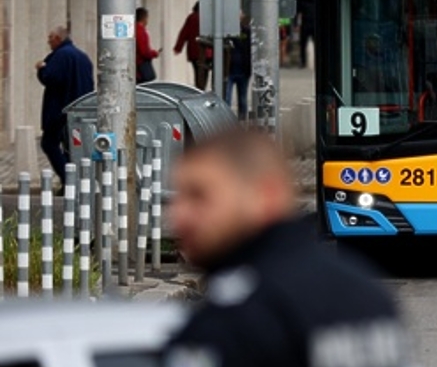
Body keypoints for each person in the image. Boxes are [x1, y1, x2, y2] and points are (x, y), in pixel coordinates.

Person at [165, 128, 413, 367]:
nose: (179, 216)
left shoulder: (235, 319)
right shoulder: (367, 294)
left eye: (199, 196)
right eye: (178, 197)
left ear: (266, 195)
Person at [36, 26, 94, 186]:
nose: (48, 41)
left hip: (60, 110)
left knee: (49, 143)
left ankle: (69, 179)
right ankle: (73, 180)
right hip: (80, 109)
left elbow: (51, 78)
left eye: (50, 38)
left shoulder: (60, 56)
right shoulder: (82, 57)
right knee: (72, 147)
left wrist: (41, 69)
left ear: (58, 39)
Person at [174, 1, 212, 90]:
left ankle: (199, 89)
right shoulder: (208, 18)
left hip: (194, 52)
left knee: (197, 73)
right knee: (204, 73)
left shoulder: (191, 17)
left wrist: (178, 48)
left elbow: (184, 33)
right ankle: (201, 90)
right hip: (206, 52)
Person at [225, 15, 252, 120]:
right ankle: (227, 121)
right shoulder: (227, 34)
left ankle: (242, 121)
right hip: (230, 70)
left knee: (243, 99)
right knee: (227, 99)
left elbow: (250, 50)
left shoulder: (246, 32)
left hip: (243, 70)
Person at [135, 6, 160, 83]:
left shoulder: (135, 29)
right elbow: (144, 51)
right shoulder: (140, 30)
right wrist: (154, 53)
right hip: (141, 64)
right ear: (144, 18)